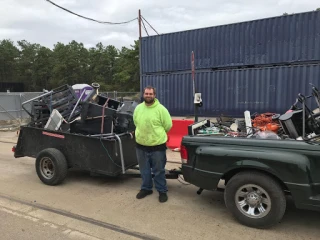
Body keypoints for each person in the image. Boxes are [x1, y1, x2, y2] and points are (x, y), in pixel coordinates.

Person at [133, 86, 172, 203]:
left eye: (150, 94)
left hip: (157, 146)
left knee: (159, 170)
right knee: (144, 170)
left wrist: (156, 135)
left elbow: (168, 125)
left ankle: (162, 191)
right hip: (141, 145)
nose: (148, 95)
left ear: (154, 95)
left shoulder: (161, 109)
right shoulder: (138, 108)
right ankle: (146, 188)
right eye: (146, 93)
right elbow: (136, 122)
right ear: (143, 95)